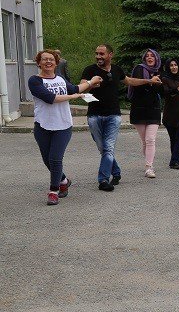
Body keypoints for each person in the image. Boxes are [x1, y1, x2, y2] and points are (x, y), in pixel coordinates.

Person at [29, 50, 102, 205]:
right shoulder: (34, 81)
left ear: (56, 63)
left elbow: (75, 88)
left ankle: (54, 191)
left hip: (63, 125)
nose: (48, 62)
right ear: (39, 63)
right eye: (44, 60)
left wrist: (90, 82)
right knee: (47, 159)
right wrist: (73, 97)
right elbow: (50, 98)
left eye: (51, 59)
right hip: (42, 125)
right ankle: (63, 180)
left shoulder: (60, 79)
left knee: (55, 158)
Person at [81, 43, 144, 190]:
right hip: (94, 116)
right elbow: (82, 86)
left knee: (108, 147)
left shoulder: (116, 70)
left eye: (101, 54)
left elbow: (129, 81)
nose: (98, 56)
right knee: (103, 148)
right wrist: (91, 84)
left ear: (110, 55)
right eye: (96, 53)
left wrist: (148, 81)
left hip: (113, 115)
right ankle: (116, 172)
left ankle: (103, 180)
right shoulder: (90, 70)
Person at [128, 48, 164, 177]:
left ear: (156, 59)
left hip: (154, 110)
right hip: (139, 109)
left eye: (152, 56)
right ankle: (149, 163)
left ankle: (149, 167)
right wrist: (150, 81)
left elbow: (161, 91)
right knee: (144, 141)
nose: (149, 58)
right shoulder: (139, 69)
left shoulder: (159, 72)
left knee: (150, 139)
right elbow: (135, 85)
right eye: (147, 56)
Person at [160, 58, 179, 170]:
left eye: (175, 65)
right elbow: (166, 93)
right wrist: (177, 90)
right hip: (170, 115)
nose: (174, 67)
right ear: (168, 67)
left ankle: (174, 161)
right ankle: (177, 158)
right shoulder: (165, 79)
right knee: (174, 139)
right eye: (171, 65)